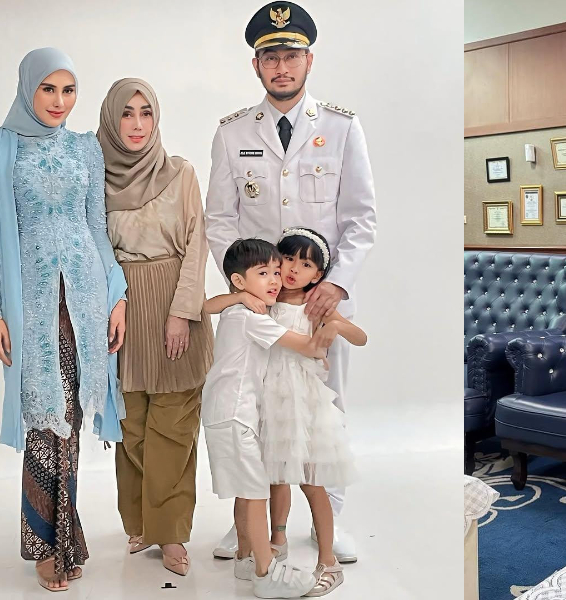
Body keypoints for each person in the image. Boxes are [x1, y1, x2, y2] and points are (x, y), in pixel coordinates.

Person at [206, 0, 377, 563]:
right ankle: (249, 516)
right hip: (257, 302)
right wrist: (246, 288)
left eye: (292, 55)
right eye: (271, 56)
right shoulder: (233, 132)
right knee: (250, 405)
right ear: (256, 66)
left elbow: (359, 219)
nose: (282, 66)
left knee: (326, 403)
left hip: (317, 298)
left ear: (310, 61)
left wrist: (339, 284)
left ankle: (332, 515)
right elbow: (220, 218)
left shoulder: (341, 127)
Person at [0, 47, 127, 593]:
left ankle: (66, 534)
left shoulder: (85, 150)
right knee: (45, 421)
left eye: (69, 91)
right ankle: (45, 541)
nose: (60, 102)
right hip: (33, 307)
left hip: (83, 304)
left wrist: (117, 295)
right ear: (27, 89)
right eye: (48, 90)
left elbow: (97, 227)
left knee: (74, 422)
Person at [207, 227, 366, 596]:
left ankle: (328, 559)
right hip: (264, 400)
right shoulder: (264, 301)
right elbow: (209, 307)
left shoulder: (316, 306)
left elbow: (360, 338)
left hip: (303, 401)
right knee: (271, 477)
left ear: (319, 275)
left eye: (305, 263)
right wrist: (239, 297)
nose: (292, 270)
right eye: (286, 261)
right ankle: (275, 544)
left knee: (311, 480)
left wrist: (335, 326)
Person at [98, 78, 214, 576]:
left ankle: (170, 534)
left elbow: (197, 242)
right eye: (127, 113)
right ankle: (140, 522)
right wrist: (107, 302)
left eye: (146, 112)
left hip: (173, 301)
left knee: (174, 424)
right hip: (121, 307)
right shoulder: (94, 176)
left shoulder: (179, 172)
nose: (138, 124)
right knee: (132, 426)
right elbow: (92, 246)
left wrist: (181, 312)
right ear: (111, 119)